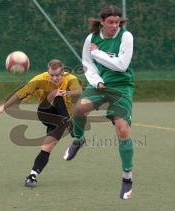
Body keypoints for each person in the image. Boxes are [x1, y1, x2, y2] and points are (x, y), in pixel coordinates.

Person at [63, 5, 135, 200]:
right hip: (99, 84)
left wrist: (98, 53)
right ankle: (79, 139)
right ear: (102, 22)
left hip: (122, 87)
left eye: (117, 22)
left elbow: (122, 65)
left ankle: (127, 178)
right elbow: (88, 65)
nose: (115, 25)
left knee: (122, 130)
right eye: (110, 22)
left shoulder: (126, 37)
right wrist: (98, 82)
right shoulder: (91, 39)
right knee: (79, 109)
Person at [0, 59, 82, 187]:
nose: (54, 78)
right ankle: (73, 132)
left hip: (61, 120)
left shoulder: (71, 78)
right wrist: (3, 107)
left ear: (63, 73)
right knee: (55, 93)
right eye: (52, 75)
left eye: (58, 75)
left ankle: (32, 176)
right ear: (48, 73)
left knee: (46, 148)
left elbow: (79, 91)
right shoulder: (39, 79)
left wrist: (67, 92)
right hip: (45, 113)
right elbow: (19, 94)